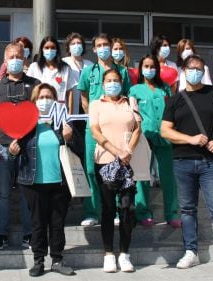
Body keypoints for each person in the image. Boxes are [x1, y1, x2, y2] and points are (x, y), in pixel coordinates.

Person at [160, 55, 213, 276]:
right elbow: (165, 131)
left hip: (210, 162)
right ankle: (190, 252)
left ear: (203, 70)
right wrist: (190, 139)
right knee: (187, 210)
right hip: (182, 161)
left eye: (199, 68)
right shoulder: (175, 99)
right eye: (190, 68)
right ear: (183, 71)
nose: (195, 71)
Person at [14, 83, 76, 277]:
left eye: (49, 97)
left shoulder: (63, 122)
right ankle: (38, 261)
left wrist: (70, 137)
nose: (45, 100)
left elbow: (78, 149)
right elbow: (15, 147)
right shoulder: (26, 124)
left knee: (57, 223)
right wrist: (12, 150)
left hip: (59, 182)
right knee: (38, 223)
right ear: (34, 100)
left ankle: (57, 259)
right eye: (41, 97)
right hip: (33, 183)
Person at [0, 43, 39, 250]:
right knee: (3, 193)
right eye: (11, 57)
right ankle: (1, 234)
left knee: (28, 193)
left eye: (19, 56)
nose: (15, 60)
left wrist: (22, 141)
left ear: (25, 60)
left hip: (27, 148)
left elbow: (37, 116)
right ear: (5, 61)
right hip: (2, 149)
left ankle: (29, 234)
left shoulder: (35, 84)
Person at [89, 69, 141, 273]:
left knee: (127, 209)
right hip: (105, 161)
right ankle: (109, 253)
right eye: (109, 81)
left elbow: (138, 128)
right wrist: (117, 151)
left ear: (122, 83)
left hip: (127, 162)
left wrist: (128, 151)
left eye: (116, 81)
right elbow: (95, 132)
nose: (112, 84)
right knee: (108, 209)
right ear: (103, 84)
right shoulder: (96, 105)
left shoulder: (131, 102)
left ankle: (125, 253)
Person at [77, 33, 131, 227]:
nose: (103, 48)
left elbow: (127, 96)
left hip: (116, 127)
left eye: (106, 45)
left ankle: (116, 211)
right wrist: (94, 116)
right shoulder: (87, 72)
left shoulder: (122, 72)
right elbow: (83, 97)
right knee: (91, 169)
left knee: (117, 168)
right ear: (94, 49)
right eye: (99, 45)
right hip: (95, 127)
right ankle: (92, 211)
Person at [128, 54, 181, 228]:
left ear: (157, 69)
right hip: (143, 137)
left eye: (152, 67)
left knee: (168, 176)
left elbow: (172, 110)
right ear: (141, 69)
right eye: (146, 66)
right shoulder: (134, 90)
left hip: (164, 136)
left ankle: (172, 213)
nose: (149, 70)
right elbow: (132, 114)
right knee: (143, 176)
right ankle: (143, 213)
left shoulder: (165, 88)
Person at [26, 36, 77, 105]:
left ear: (57, 50)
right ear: (42, 50)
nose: (49, 50)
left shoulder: (65, 68)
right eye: (46, 48)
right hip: (39, 110)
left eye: (53, 48)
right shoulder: (34, 67)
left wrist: (70, 113)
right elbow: (29, 91)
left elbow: (70, 92)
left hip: (59, 110)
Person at [62, 32, 93, 114]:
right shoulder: (63, 63)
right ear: (68, 47)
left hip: (87, 105)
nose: (76, 45)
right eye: (73, 43)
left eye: (79, 43)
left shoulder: (90, 64)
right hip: (69, 106)